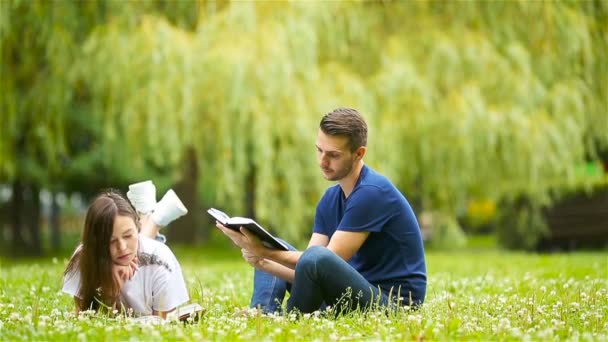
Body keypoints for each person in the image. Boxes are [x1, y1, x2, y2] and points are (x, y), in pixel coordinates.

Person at [217, 107, 427, 315]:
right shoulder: (330, 199)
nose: (322, 162)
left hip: (390, 303)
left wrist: (265, 253)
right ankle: (263, 312)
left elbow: (322, 260)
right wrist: (263, 260)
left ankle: (290, 319)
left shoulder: (372, 193)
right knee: (276, 245)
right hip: (348, 291)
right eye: (319, 150)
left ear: (359, 153)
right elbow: (308, 271)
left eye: (333, 155)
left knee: (312, 255)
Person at [63, 184, 189, 317]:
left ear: (137, 227)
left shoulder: (161, 259)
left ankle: (150, 218)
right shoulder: (84, 258)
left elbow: (165, 324)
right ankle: (151, 218)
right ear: (96, 243)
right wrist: (109, 293)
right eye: (111, 241)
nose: (122, 248)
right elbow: (84, 318)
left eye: (128, 235)